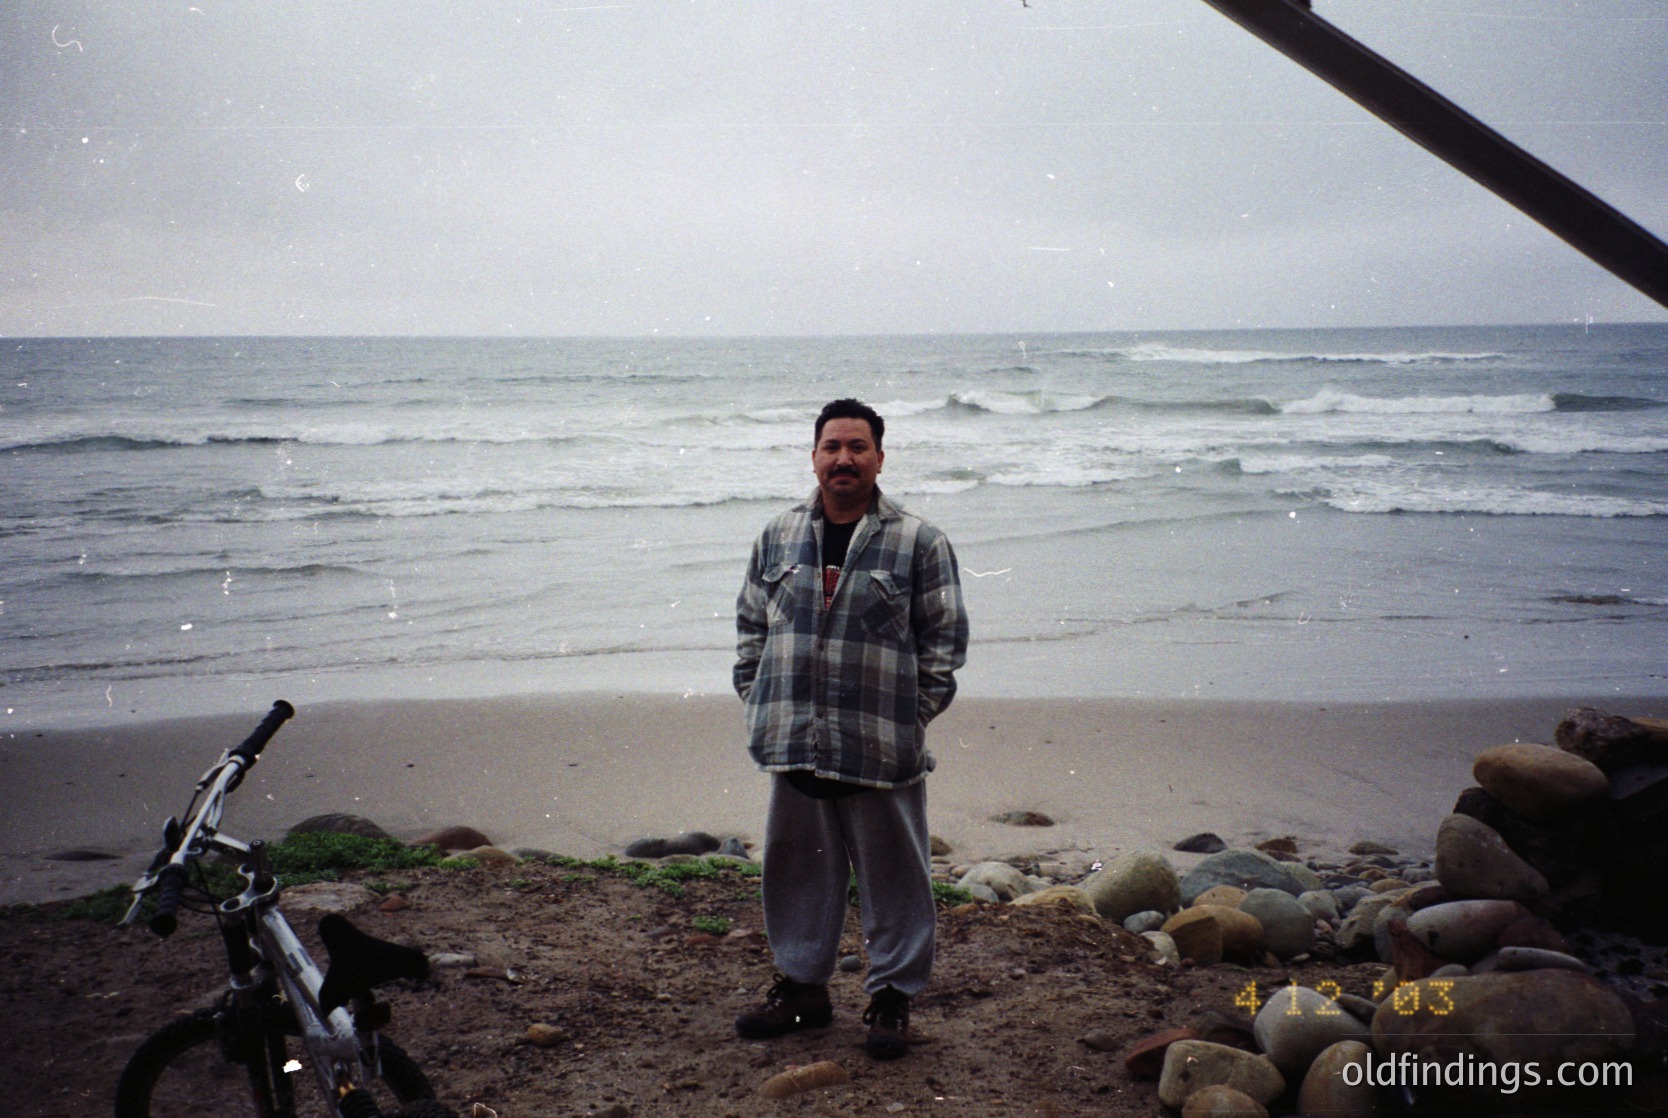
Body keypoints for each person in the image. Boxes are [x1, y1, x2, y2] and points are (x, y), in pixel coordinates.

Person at [732, 397, 969, 1060]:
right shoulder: (777, 535)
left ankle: (892, 999)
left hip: (880, 744)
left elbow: (945, 641)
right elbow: (751, 626)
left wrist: (910, 718)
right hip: (794, 738)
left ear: (879, 459)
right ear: (814, 457)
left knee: (896, 877)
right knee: (795, 869)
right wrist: (760, 699)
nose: (844, 458)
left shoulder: (919, 541)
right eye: (832, 446)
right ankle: (802, 989)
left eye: (857, 447)